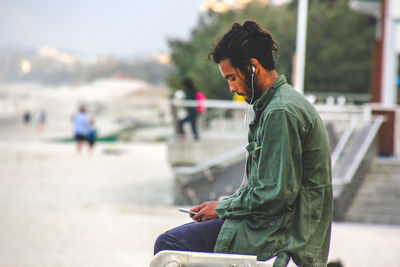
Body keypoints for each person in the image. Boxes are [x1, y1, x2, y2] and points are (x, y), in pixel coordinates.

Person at [154, 21, 332, 267]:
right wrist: (222, 207)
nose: (232, 88)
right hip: (270, 225)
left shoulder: (280, 112)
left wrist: (223, 208)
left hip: (280, 234)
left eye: (232, 78)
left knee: (170, 246)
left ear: (252, 67)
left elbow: (275, 195)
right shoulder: (275, 105)